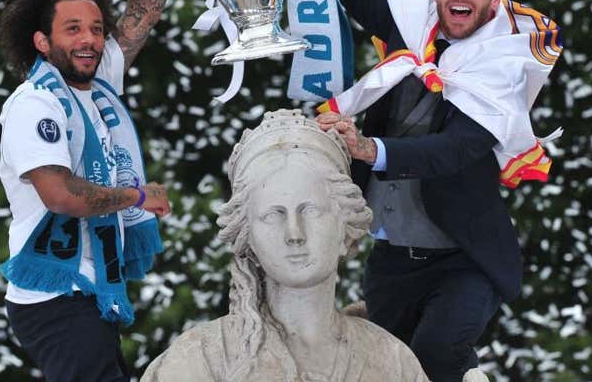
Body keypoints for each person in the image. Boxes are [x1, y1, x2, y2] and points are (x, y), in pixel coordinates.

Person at [301, 0, 562, 382]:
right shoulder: (410, 22)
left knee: (436, 357)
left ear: (493, 0)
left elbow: (456, 150)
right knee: (390, 370)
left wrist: (373, 151)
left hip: (463, 259)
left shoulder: (501, 63)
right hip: (392, 260)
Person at [0, 0, 178, 382]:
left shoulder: (97, 87)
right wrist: (136, 195)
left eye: (96, 29)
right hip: (55, 295)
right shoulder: (34, 105)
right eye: (72, 29)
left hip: (89, 291)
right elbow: (59, 195)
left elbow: (144, 12)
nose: (90, 39)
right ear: (41, 41)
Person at [143, 109, 428, 382]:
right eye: (272, 215)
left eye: (311, 210)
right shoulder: (200, 360)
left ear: (346, 227)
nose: (294, 233)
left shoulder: (391, 360)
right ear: (248, 237)